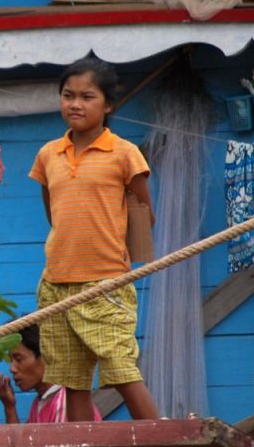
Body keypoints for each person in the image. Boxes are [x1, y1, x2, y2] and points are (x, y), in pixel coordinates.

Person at [28, 59, 159, 422]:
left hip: (106, 283)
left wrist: (118, 255)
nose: (75, 104)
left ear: (108, 105)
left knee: (123, 373)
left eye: (87, 96)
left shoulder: (124, 153)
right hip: (56, 282)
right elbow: (53, 213)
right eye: (68, 95)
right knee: (73, 381)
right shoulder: (48, 155)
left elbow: (144, 217)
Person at [0, 324, 101, 423]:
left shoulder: (64, 403)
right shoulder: (40, 402)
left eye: (19, 359)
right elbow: (22, 444)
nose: (12, 369)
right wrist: (9, 406)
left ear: (45, 356)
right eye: (11, 361)